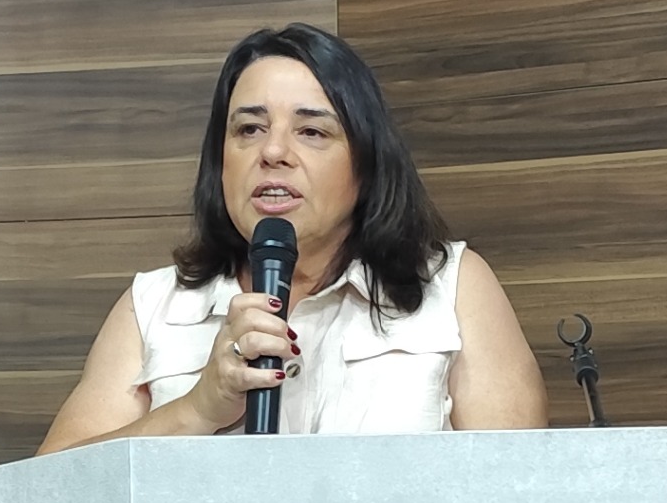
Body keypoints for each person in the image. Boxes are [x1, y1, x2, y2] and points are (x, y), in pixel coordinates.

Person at [40, 23, 549, 449]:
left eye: (312, 131)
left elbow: (521, 497)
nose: (273, 152)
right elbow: (44, 497)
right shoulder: (155, 306)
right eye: (249, 129)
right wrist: (196, 409)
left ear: (366, 162)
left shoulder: (451, 288)